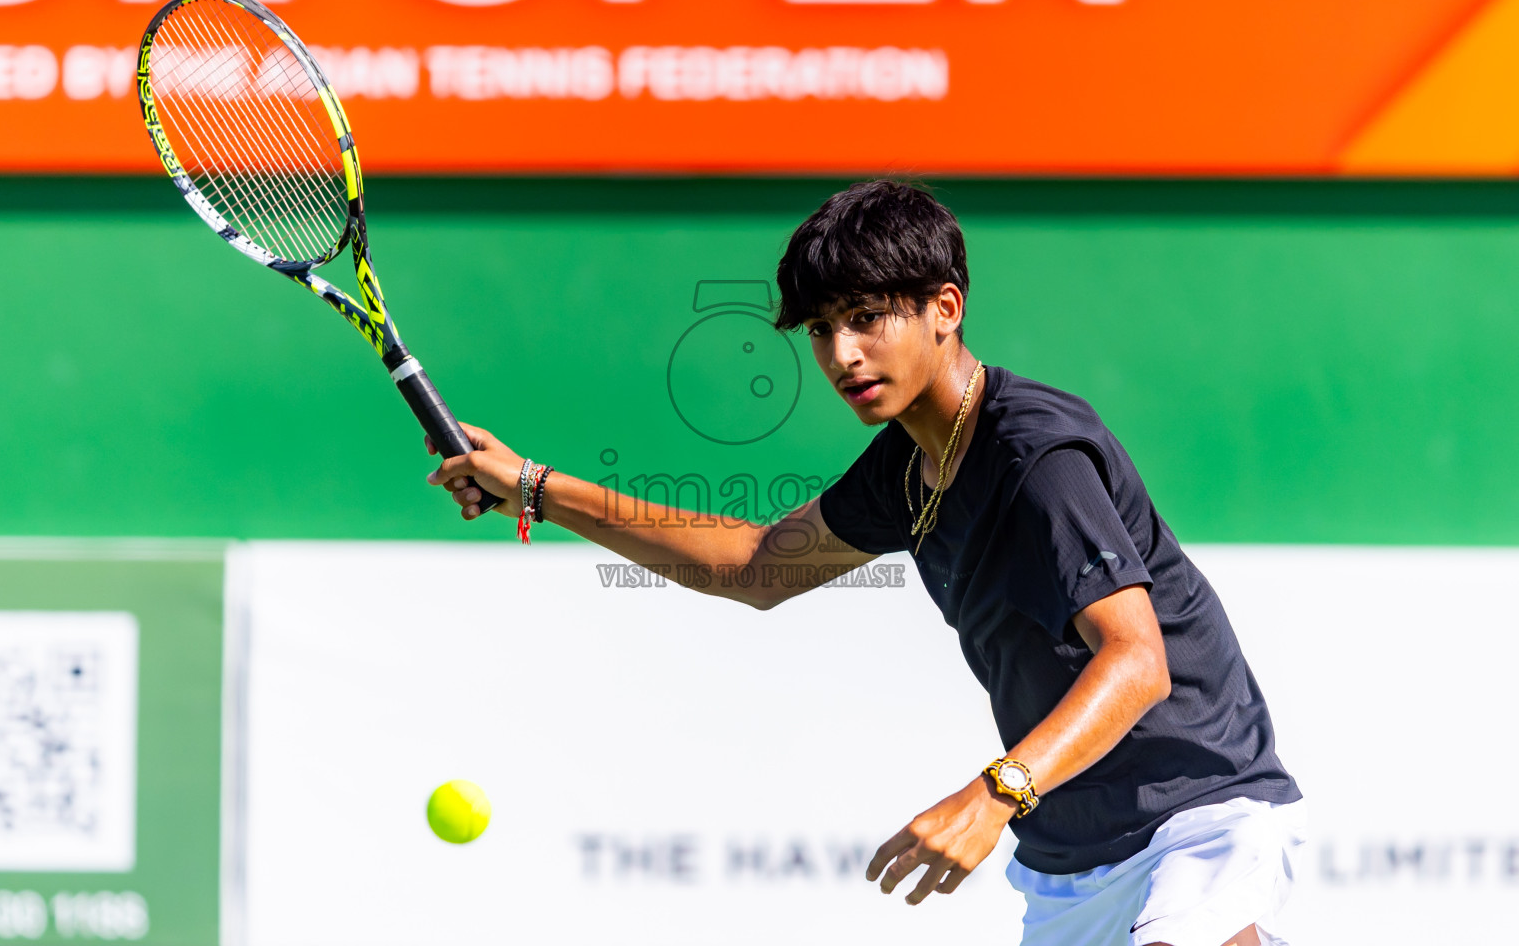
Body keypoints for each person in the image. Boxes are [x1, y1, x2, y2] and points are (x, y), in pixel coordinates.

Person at [427, 180, 1305, 946]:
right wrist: (537, 487)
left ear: (945, 309)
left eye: (867, 318)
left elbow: (1137, 660)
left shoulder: (1036, 455)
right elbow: (755, 567)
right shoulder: (906, 465)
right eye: (822, 328)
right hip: (1073, 859)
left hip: (1198, 821)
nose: (842, 355)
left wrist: (994, 794)